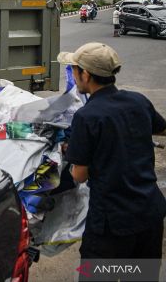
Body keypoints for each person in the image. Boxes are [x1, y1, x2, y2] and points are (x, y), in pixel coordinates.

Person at [58, 42, 166, 264]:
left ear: (85, 74)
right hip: (150, 213)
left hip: (112, 224)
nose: (73, 75)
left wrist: (74, 152)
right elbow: (160, 128)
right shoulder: (138, 101)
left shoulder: (87, 116)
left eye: (74, 69)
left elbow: (80, 175)